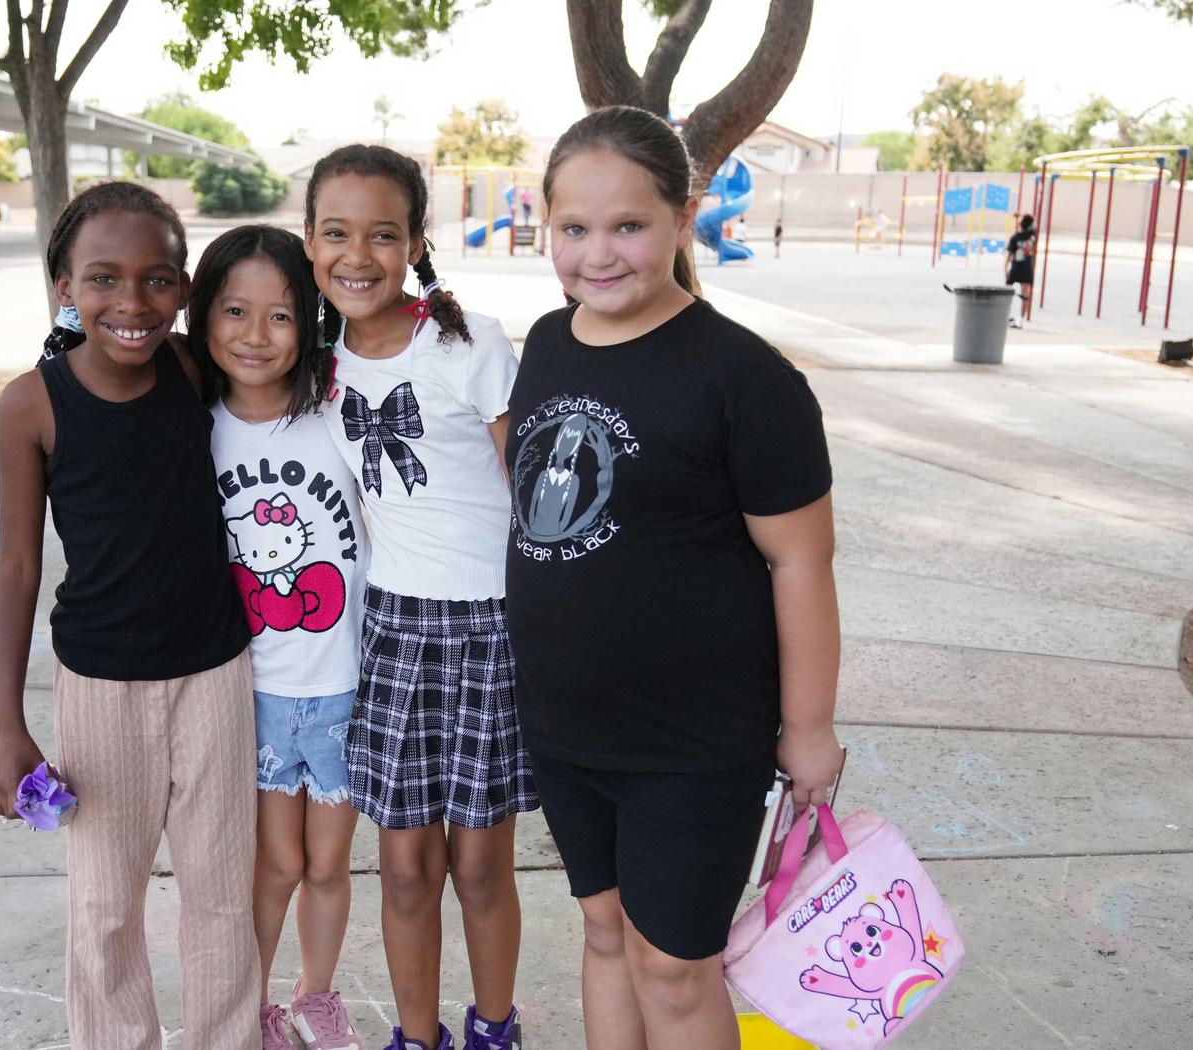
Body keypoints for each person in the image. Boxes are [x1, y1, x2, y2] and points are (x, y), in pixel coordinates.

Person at [505, 106, 843, 1050]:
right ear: (546, 225)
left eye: (629, 226)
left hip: (692, 738)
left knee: (675, 966)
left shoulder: (743, 377)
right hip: (566, 725)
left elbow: (801, 562)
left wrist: (809, 731)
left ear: (683, 218)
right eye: (574, 229)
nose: (598, 254)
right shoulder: (547, 341)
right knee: (607, 933)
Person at [0, 181, 258, 1050]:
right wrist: (6, 726)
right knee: (106, 901)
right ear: (64, 284)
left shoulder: (189, 370)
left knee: (221, 891)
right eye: (103, 278)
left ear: (184, 288)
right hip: (99, 684)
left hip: (216, 672)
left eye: (159, 279)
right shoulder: (32, 402)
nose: (133, 303)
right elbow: (18, 563)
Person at [306, 144, 536, 1050]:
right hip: (391, 630)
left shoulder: (468, 341)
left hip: (491, 628)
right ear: (309, 239)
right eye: (335, 233)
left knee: (479, 864)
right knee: (403, 867)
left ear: (414, 243)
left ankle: (492, 1028)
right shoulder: (313, 359)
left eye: (382, 234)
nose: (356, 256)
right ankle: (416, 1036)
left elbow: (538, 498)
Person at [191, 225, 370, 1050]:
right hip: (253, 696)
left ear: (311, 322)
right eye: (234, 311)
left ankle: (317, 996)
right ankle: (254, 1007)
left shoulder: (335, 415)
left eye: (280, 316)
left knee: (329, 865)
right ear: (204, 315)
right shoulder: (192, 430)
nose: (255, 336)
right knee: (276, 867)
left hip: (343, 687)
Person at [1005, 214, 1037, 327]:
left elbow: (1009, 255)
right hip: (1020, 267)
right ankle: (1012, 317)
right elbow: (1010, 254)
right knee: (1011, 293)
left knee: (1023, 293)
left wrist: (1006, 268)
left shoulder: (1030, 235)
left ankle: (1019, 319)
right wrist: (1006, 268)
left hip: (1022, 268)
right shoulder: (1019, 237)